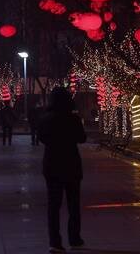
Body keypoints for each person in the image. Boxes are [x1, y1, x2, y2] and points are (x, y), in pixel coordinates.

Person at [38, 87, 86, 253]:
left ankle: (55, 241)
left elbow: (41, 138)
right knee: (73, 204)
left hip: (52, 165)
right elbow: (82, 138)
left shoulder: (45, 119)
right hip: (71, 164)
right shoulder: (73, 119)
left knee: (53, 206)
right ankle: (74, 238)